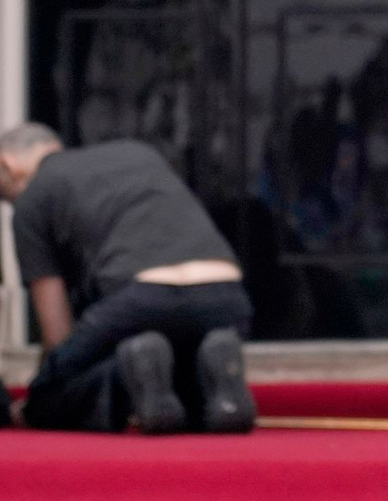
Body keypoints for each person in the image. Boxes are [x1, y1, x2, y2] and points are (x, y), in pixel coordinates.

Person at [0, 123, 256, 435]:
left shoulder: (32, 198)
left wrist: (43, 392)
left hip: (141, 300)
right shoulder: (137, 153)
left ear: (7, 165)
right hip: (226, 299)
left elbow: (57, 335)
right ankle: (214, 383)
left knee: (49, 395)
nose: (11, 203)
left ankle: (124, 376)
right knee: (171, 362)